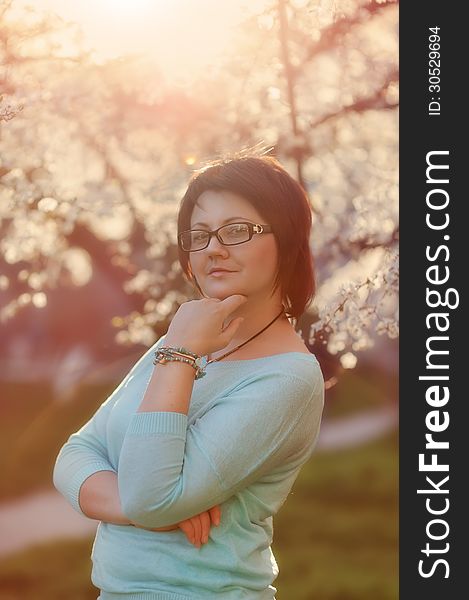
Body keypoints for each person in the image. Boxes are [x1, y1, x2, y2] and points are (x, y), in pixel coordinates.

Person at [53, 154, 325, 600]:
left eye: (237, 230)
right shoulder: (179, 343)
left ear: (289, 238)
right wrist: (136, 507)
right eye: (198, 236)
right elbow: (74, 455)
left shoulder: (286, 378)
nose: (213, 249)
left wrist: (180, 353)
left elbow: (151, 498)